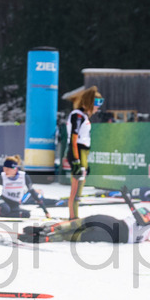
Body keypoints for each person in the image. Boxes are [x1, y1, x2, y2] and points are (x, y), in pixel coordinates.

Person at [19, 205, 150, 244]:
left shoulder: (147, 224)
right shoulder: (147, 232)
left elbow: (140, 218)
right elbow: (140, 218)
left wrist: (128, 201)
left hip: (114, 229)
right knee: (78, 226)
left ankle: (46, 234)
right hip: (115, 231)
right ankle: (46, 233)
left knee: (76, 229)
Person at [65, 86, 103, 219]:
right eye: (97, 103)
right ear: (90, 102)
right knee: (76, 190)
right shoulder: (78, 115)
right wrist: (76, 161)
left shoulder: (83, 116)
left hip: (83, 153)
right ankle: (73, 218)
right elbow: (74, 140)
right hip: (78, 152)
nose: (98, 107)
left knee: (79, 191)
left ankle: (74, 216)